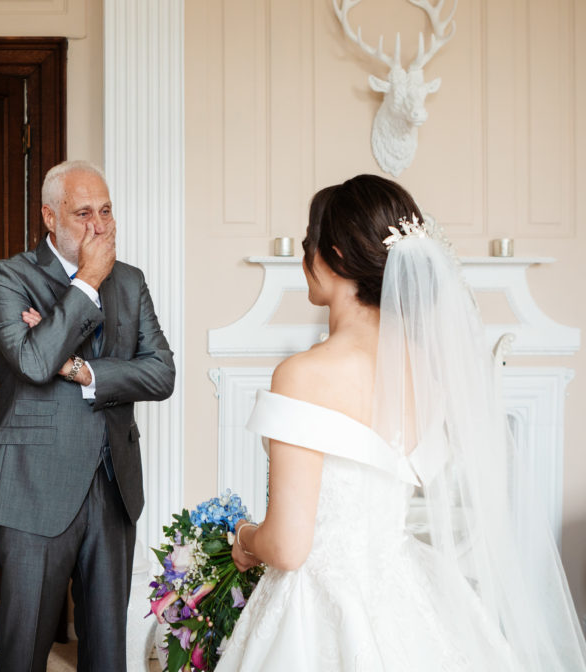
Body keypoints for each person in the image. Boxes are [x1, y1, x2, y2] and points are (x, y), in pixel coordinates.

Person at [216, 174, 586, 671]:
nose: (304, 257)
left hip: (316, 607)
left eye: (310, 242)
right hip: (404, 588)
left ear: (338, 257)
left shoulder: (302, 374)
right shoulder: (428, 374)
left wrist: (243, 538)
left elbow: (287, 546)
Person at [0, 160, 176, 671]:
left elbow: (161, 374)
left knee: (107, 651)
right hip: (33, 488)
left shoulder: (130, 282)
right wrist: (86, 282)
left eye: (106, 211)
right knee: (23, 651)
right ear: (50, 216)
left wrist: (85, 371)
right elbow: (37, 362)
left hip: (113, 487)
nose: (100, 225)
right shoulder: (8, 277)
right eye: (83, 213)